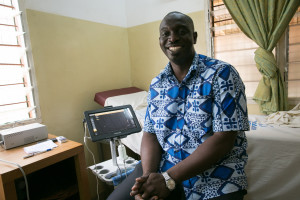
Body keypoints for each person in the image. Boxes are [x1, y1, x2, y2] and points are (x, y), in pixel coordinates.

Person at [107, 11, 249, 200]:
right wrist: (149, 176)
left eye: (181, 31)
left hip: (216, 175)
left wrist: (168, 179)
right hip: (165, 165)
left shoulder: (222, 74)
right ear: (160, 40)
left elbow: (224, 139)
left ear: (194, 37)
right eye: (166, 33)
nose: (172, 38)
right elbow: (150, 133)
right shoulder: (157, 84)